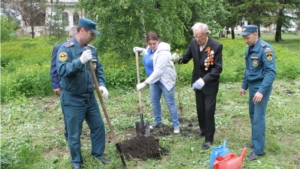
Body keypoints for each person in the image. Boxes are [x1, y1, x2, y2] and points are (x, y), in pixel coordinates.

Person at [56, 18, 110, 169]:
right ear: (82, 31)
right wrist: (79, 61)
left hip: (89, 97)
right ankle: (76, 162)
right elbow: (61, 71)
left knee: (98, 126)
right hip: (72, 99)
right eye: (91, 34)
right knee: (74, 133)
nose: (93, 37)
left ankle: (97, 154)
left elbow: (98, 70)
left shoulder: (92, 50)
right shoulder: (65, 49)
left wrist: (102, 85)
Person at [177, 22, 223, 150]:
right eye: (195, 36)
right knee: (200, 109)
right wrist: (176, 59)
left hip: (209, 84)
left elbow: (218, 68)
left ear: (206, 34)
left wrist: (204, 80)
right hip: (197, 83)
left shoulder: (216, 46)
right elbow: (186, 58)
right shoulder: (193, 43)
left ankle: (209, 138)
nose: (197, 39)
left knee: (209, 110)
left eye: (200, 36)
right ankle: (203, 130)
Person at [239, 25, 276, 161]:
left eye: (247, 38)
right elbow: (248, 70)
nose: (245, 40)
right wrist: (244, 85)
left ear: (255, 34)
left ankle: (259, 150)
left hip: (261, 88)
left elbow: (271, 73)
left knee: (258, 117)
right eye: (244, 38)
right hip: (253, 86)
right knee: (253, 114)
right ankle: (255, 141)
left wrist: (261, 91)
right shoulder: (249, 49)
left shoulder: (265, 50)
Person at [133, 31, 180, 134]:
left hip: (165, 80)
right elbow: (150, 56)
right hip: (154, 80)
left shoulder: (163, 52)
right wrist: (142, 51)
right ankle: (158, 122)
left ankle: (176, 125)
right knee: (154, 101)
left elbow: (158, 71)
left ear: (158, 41)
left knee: (170, 102)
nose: (152, 46)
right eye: (150, 44)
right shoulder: (150, 49)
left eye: (154, 43)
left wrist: (144, 83)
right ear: (147, 43)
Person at [50, 26, 77, 141]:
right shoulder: (59, 47)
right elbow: (54, 68)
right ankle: (68, 133)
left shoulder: (79, 47)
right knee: (68, 110)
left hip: (76, 84)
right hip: (64, 84)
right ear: (70, 36)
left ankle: (76, 130)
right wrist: (56, 85)